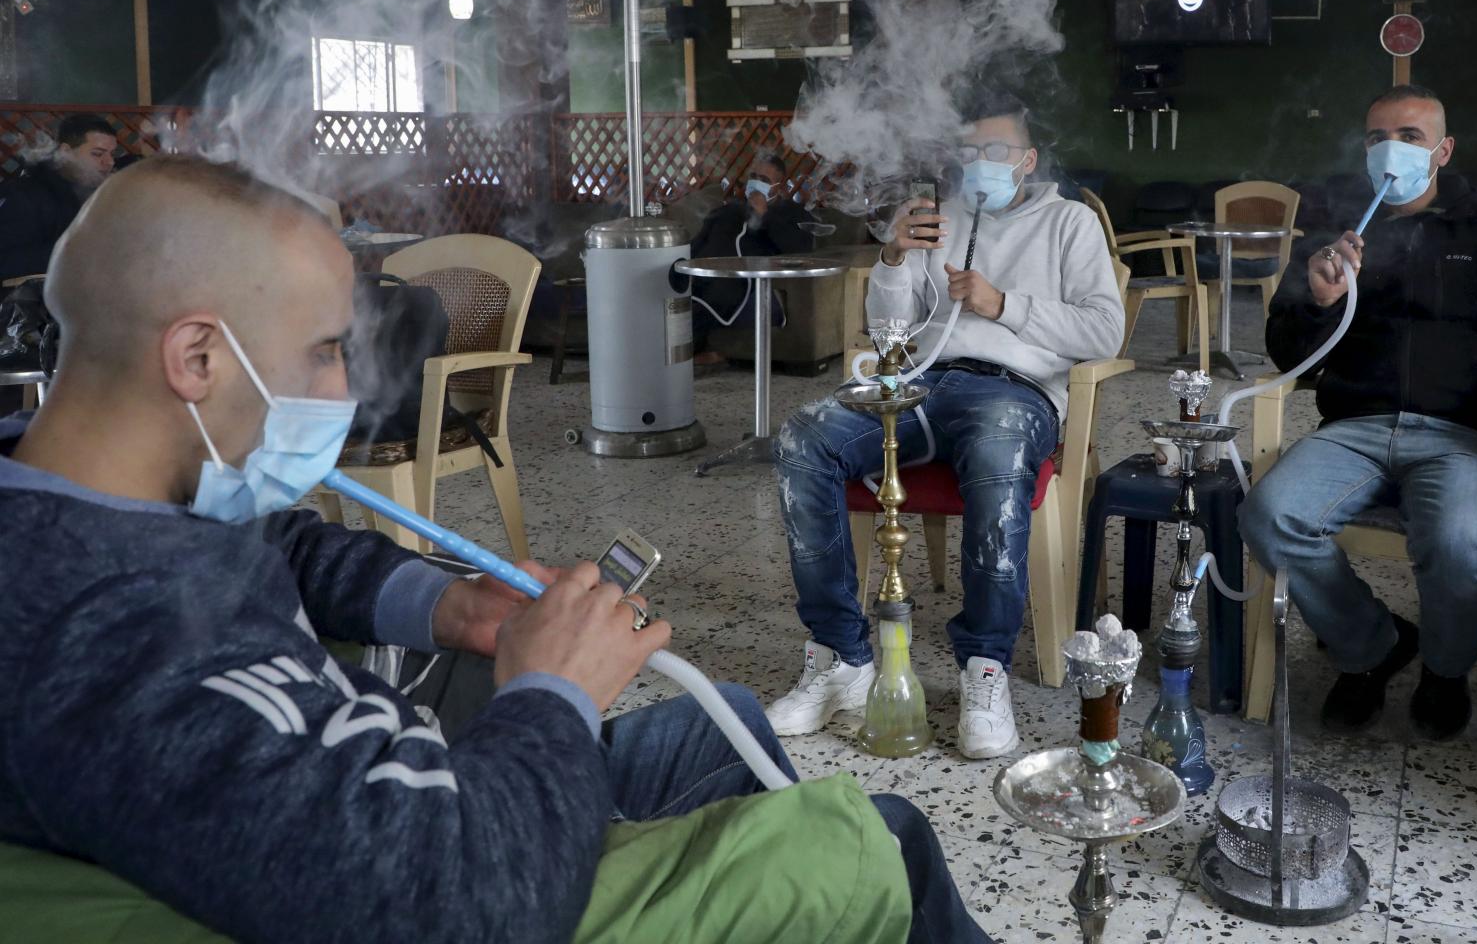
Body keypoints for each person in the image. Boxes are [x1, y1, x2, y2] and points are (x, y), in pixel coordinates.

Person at [0, 155, 988, 943]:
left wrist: (446, 602)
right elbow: (456, 901)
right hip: (458, 856)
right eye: (325, 349)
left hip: (412, 774)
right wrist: (552, 690)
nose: (345, 390)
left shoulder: (120, 493)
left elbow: (283, 544)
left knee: (716, 717)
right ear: (197, 357)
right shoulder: (92, 636)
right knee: (882, 842)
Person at [768, 99, 1124, 758]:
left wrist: (1003, 304)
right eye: (968, 152)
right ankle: (840, 657)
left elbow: (1105, 329)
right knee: (803, 437)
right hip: (923, 382)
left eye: (995, 152)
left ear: (1027, 160)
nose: (979, 164)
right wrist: (894, 258)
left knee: (996, 452)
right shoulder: (940, 218)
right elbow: (888, 331)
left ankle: (985, 667)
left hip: (1013, 392)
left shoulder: (1069, 223)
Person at [1238, 86, 1477, 739]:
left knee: (1458, 541)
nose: (1390, 150)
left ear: (1443, 151)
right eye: (1377, 138)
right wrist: (1317, 302)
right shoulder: (1338, 237)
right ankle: (1372, 645)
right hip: (1355, 430)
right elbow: (1289, 356)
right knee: (1268, 515)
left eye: (1410, 137)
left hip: (1466, 436)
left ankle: (1445, 669)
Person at [687, 151, 815, 365]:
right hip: (707, 275)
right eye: (753, 177)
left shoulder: (792, 213)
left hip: (750, 283)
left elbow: (801, 248)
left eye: (764, 179)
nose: (756, 183)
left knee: (716, 294)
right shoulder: (728, 211)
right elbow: (697, 243)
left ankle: (691, 352)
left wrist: (764, 215)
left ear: (778, 188)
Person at [0, 112, 118, 280]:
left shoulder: (101, 194)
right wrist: (73, 252)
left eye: (112, 154)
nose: (110, 162)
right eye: (97, 154)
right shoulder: (26, 195)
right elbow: (5, 261)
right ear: (66, 152)